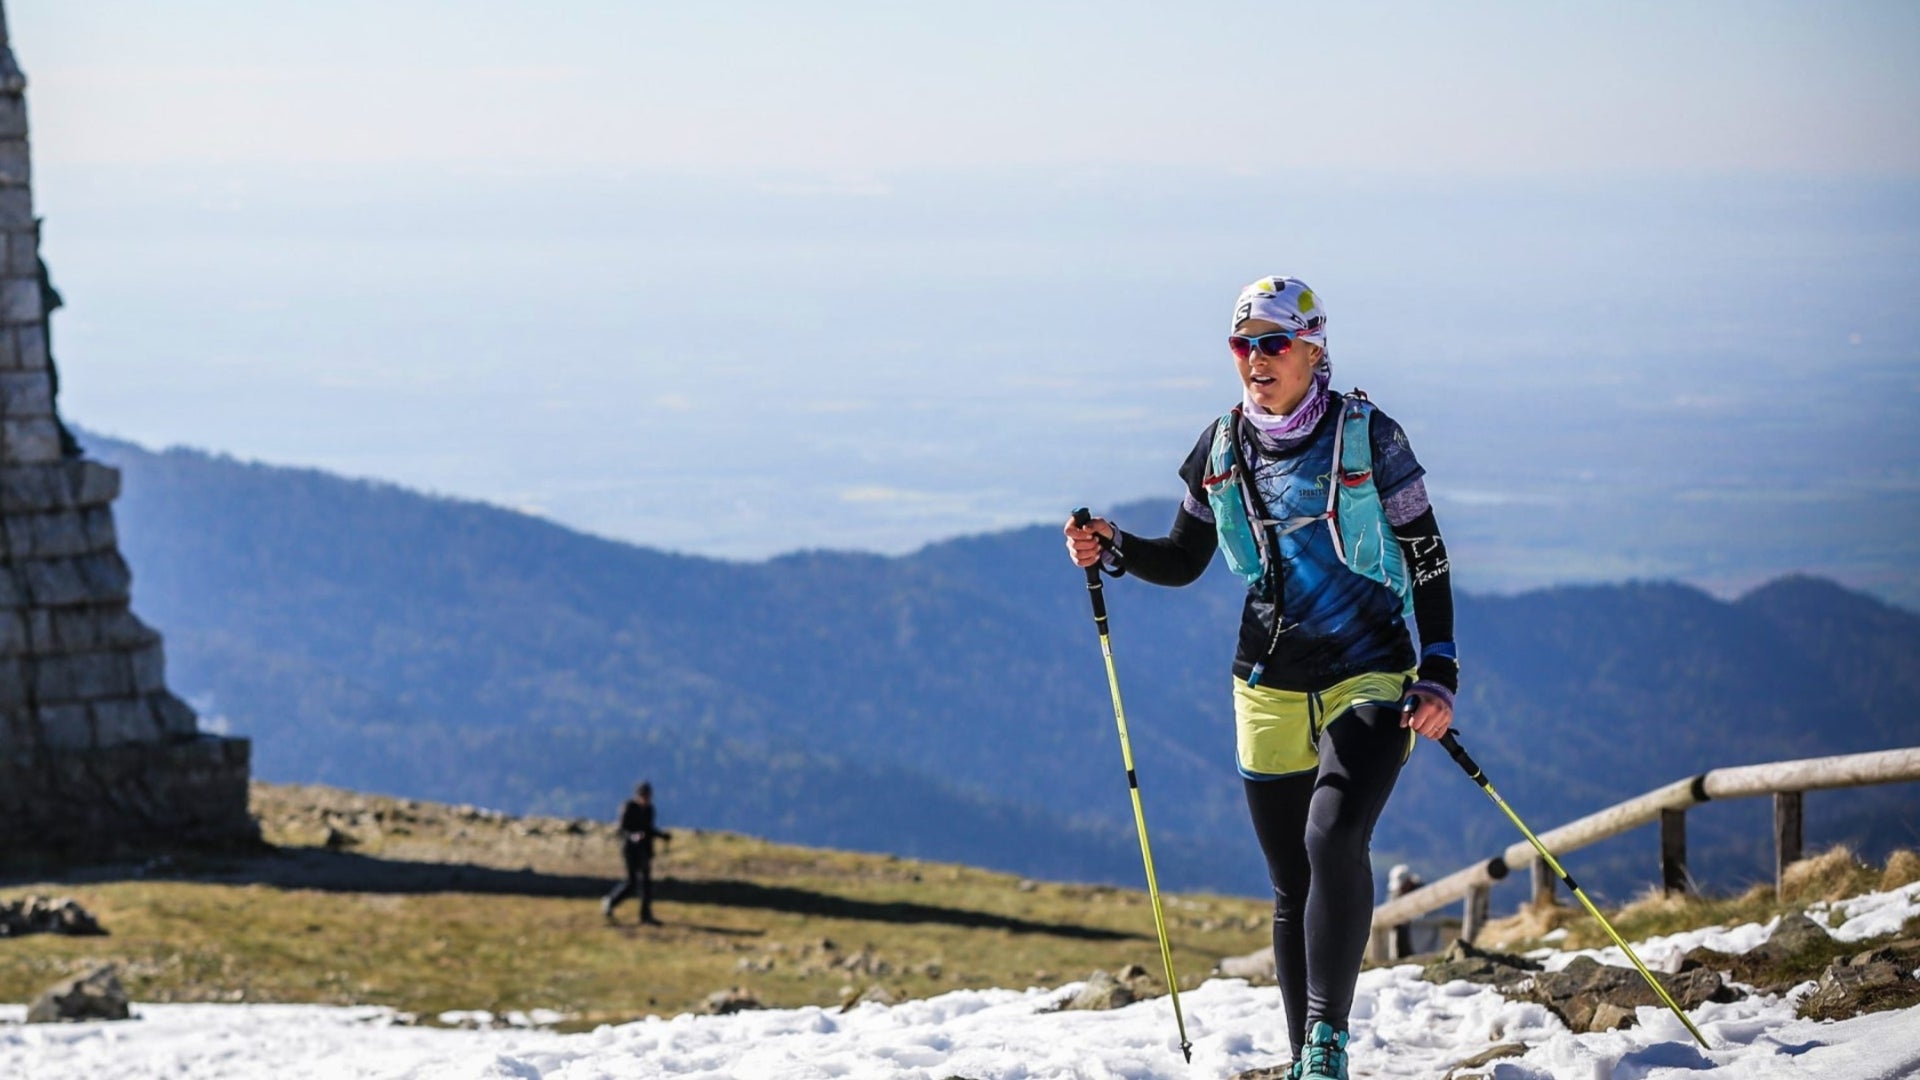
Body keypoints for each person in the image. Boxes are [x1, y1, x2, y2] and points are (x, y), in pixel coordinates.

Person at [1063, 276, 1458, 1080]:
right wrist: (1114, 548)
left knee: (1334, 835)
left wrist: (1440, 668)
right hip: (1267, 682)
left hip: (1373, 670)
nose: (1256, 360)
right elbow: (1182, 561)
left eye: (1274, 343)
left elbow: (1426, 556)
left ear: (1315, 349)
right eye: (1243, 345)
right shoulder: (1219, 446)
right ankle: (1302, 1061)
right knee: (1290, 882)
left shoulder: (1370, 436)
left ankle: (1326, 1040)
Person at [602, 781, 672, 925]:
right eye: (644, 796)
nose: (646, 799)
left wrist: (662, 836)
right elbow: (623, 828)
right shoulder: (629, 807)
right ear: (638, 795)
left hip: (644, 850)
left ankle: (645, 915)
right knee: (632, 882)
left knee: (646, 883)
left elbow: (649, 829)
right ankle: (610, 901)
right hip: (630, 849)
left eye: (648, 796)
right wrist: (633, 836)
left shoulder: (650, 810)